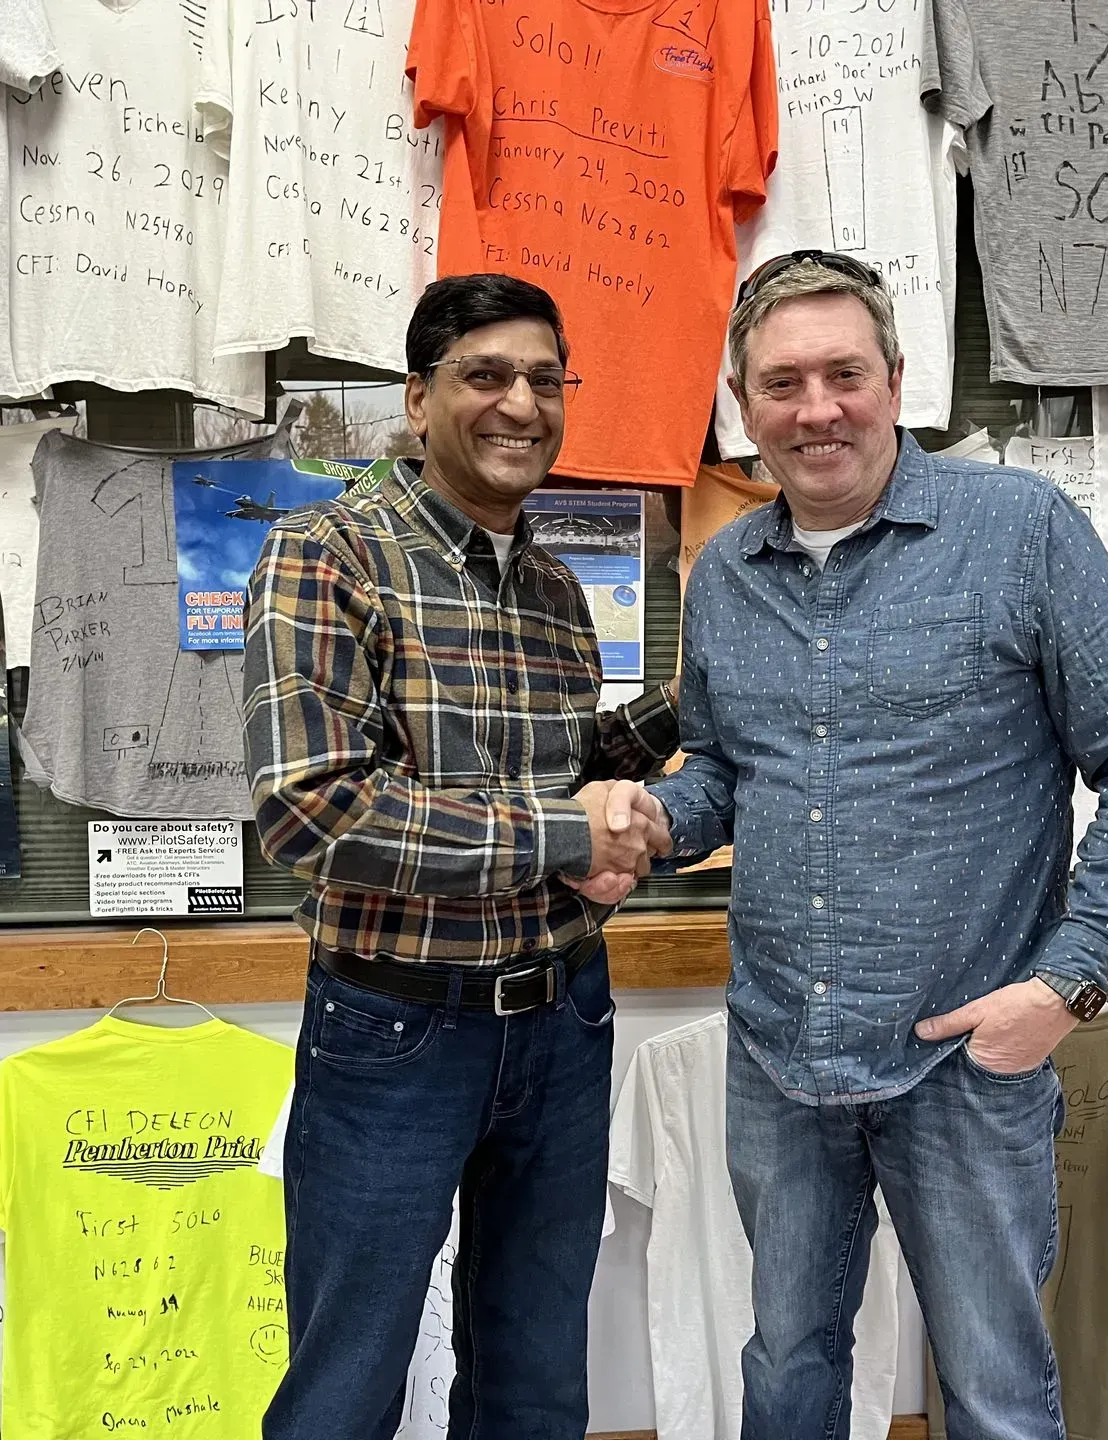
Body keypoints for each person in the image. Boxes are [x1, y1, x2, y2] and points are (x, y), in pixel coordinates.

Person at [630, 254, 1108, 1440]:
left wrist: (1065, 985)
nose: (816, 409)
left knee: (993, 1389)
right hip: (781, 1055)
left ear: (897, 379)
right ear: (744, 402)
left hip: (967, 1062)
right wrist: (644, 829)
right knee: (786, 1362)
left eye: (845, 374)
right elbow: (729, 778)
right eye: (782, 383)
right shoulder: (728, 571)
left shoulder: (1020, 531)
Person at [242, 273, 679, 1440]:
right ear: (419, 396)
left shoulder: (550, 586)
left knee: (536, 1382)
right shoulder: (323, 555)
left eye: (546, 378)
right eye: (486, 375)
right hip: (396, 1031)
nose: (520, 405)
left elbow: (555, 769)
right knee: (345, 1384)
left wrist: (688, 707)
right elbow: (311, 812)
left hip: (564, 1019)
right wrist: (564, 833)